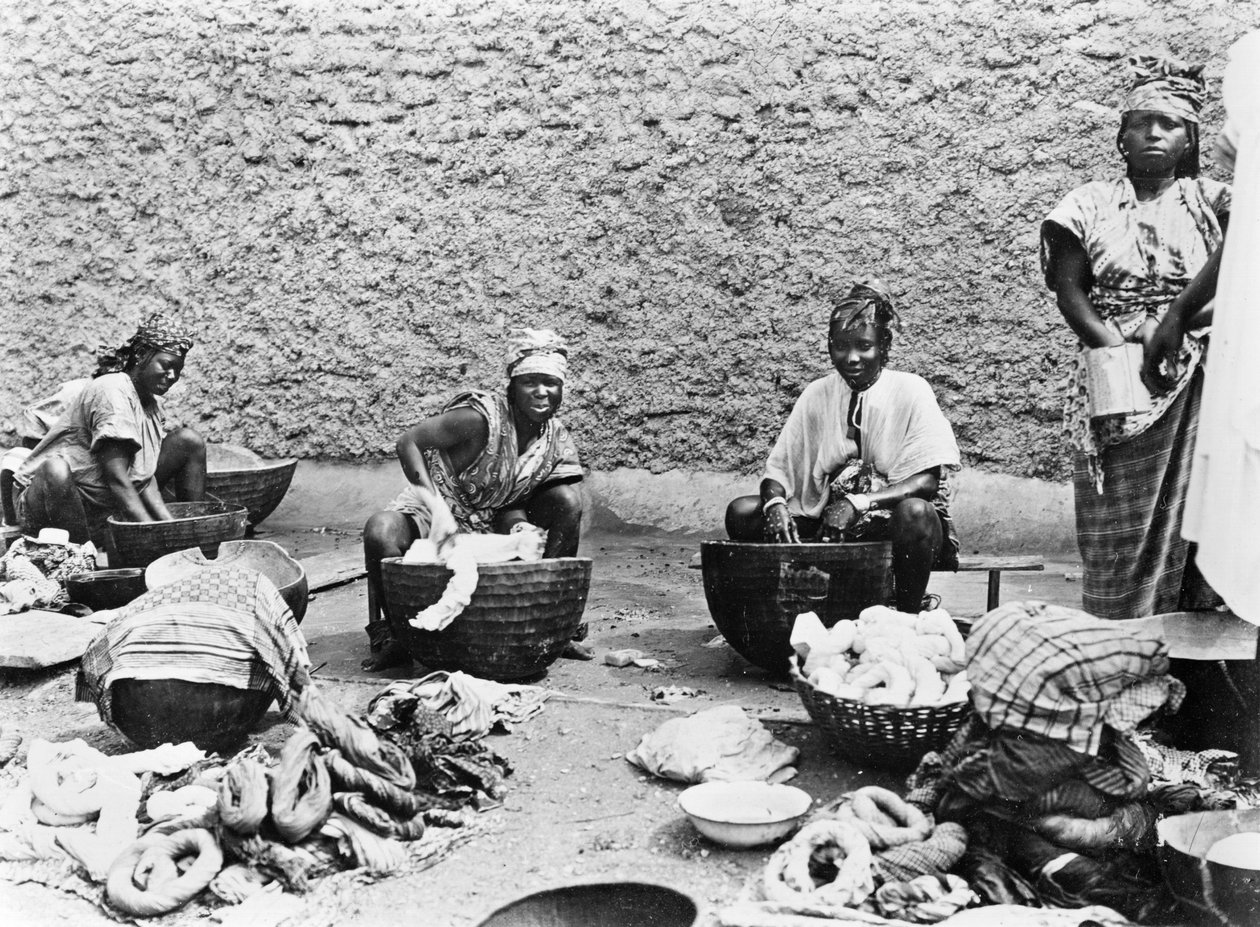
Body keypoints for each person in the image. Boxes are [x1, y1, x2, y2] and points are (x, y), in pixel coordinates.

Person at [1041, 51, 1229, 621]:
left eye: (1169, 124)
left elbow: (1242, 262)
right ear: (1121, 137)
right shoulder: (1088, 203)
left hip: (1196, 369)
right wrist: (1117, 349)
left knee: (1196, 513)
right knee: (1114, 517)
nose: (1154, 133)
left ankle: (1187, 657)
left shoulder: (1215, 203)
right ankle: (1117, 634)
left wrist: (1175, 320)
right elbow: (1069, 289)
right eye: (1140, 122)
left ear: (1191, 139)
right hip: (1114, 368)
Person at [724, 280, 961, 614]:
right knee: (743, 512)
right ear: (829, 346)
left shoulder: (911, 390)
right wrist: (775, 504)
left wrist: (858, 503)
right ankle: (798, 604)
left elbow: (926, 482)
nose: (851, 358)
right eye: (841, 346)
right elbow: (778, 471)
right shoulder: (817, 394)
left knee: (917, 513)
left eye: (864, 346)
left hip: (897, 528)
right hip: (830, 521)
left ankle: (907, 617)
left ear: (885, 345)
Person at [361, 328, 585, 670]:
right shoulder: (481, 418)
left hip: (491, 521)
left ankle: (552, 624)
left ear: (562, 389)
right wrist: (435, 507)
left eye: (551, 383)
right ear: (512, 387)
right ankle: (396, 635)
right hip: (435, 511)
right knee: (380, 530)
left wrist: (520, 525)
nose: (542, 392)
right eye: (530, 382)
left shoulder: (553, 440)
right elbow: (409, 442)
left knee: (569, 501)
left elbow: (521, 501)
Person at [9, 313, 206, 546]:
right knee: (56, 469)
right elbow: (118, 479)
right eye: (166, 365)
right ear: (141, 355)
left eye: (178, 370)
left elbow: (143, 477)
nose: (173, 376)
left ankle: (196, 533)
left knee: (189, 440)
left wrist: (170, 528)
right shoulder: (112, 389)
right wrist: (152, 538)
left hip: (99, 505)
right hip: (53, 500)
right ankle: (85, 557)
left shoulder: (152, 405)